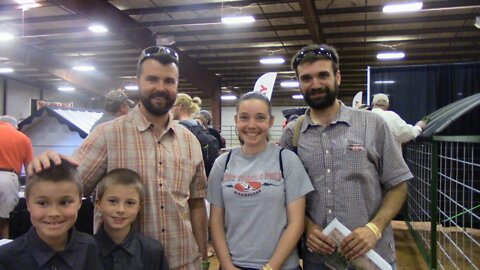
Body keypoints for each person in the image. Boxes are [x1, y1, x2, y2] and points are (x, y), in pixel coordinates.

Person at [29, 46, 208, 270]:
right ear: (138, 81)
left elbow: (197, 204)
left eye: (169, 81)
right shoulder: (107, 135)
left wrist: (202, 257)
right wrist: (48, 167)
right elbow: (68, 190)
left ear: (177, 84)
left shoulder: (189, 142)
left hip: (183, 263)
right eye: (152, 79)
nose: (160, 88)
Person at [279, 44, 413, 269]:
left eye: (323, 75)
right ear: (299, 83)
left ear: (337, 77)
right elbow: (285, 195)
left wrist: (374, 228)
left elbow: (398, 185)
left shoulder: (373, 125)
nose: (316, 84)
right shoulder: (292, 134)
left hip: (372, 255)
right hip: (319, 260)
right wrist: (307, 227)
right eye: (306, 78)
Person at [208, 92, 314, 270]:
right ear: (236, 120)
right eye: (244, 118)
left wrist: (270, 267)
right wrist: (227, 265)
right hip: (234, 265)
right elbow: (216, 223)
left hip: (281, 267)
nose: (251, 125)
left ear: (271, 121)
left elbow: (296, 223)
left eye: (260, 118)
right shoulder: (222, 164)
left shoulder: (287, 161)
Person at [0, 160, 103, 269]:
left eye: (64, 202)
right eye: (42, 203)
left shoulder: (91, 248)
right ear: (28, 204)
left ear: (80, 202)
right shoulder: (7, 258)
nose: (54, 213)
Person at [95, 168, 169, 270]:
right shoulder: (84, 250)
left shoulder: (153, 251)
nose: (120, 210)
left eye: (129, 203)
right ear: (98, 204)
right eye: (113, 201)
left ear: (139, 207)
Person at [0, 115, 33, 239]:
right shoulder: (22, 138)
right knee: (5, 221)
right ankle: (4, 250)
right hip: (8, 179)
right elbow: (30, 169)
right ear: (15, 126)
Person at [172, 93, 220, 177]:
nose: (170, 110)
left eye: (172, 106)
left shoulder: (181, 128)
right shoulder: (198, 125)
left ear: (179, 107)